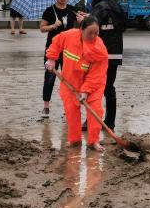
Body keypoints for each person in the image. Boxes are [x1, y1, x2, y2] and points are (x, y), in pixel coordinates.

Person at [45, 16, 108, 151]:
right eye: (89, 33)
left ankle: (93, 141)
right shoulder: (69, 36)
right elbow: (56, 42)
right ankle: (74, 140)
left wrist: (86, 91)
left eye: (96, 33)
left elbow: (96, 74)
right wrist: (51, 58)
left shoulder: (99, 48)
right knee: (71, 110)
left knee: (95, 110)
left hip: (94, 85)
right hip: (70, 82)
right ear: (81, 30)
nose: (93, 36)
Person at [77, 0, 125, 131]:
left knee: (92, 87)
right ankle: (110, 123)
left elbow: (93, 28)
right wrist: (90, 15)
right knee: (109, 88)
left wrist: (83, 20)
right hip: (115, 53)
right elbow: (105, 22)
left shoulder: (100, 5)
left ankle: (91, 121)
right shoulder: (114, 4)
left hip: (101, 54)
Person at [40, 0, 77, 118]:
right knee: (49, 78)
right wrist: (52, 26)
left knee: (69, 79)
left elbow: (79, 29)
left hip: (69, 51)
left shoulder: (73, 10)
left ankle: (68, 107)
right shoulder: (49, 11)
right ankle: (46, 107)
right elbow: (42, 28)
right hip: (53, 50)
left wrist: (83, 20)